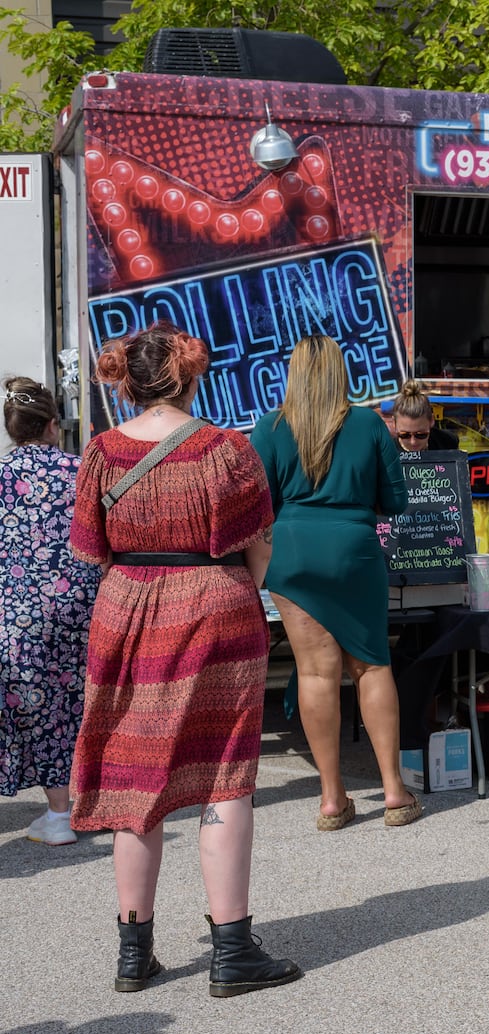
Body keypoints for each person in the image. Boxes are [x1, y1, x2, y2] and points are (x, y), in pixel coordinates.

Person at [69, 322, 300, 996]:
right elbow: (259, 544)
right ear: (192, 377)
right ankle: (233, 953)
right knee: (225, 778)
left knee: (131, 779)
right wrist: (229, 589)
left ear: (128, 381)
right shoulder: (227, 450)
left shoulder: (102, 452)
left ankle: (132, 954)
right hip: (215, 607)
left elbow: (91, 546)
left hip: (126, 611)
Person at [250, 334, 420, 830]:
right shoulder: (368, 422)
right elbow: (397, 502)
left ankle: (332, 799)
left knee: (317, 673)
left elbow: (259, 505)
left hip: (294, 555)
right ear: (339, 373)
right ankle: (393, 792)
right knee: (371, 667)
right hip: (354, 552)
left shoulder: (271, 427)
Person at [1, 378, 100, 845]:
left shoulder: (2, 477)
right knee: (86, 701)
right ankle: (102, 800)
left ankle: (59, 814)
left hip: (19, 611)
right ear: (54, 427)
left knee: (39, 709)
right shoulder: (82, 471)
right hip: (85, 604)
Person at [389, 379, 460, 452]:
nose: (413, 442)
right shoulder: (384, 452)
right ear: (394, 424)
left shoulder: (447, 442)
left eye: (421, 435)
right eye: (404, 435)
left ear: (431, 420)